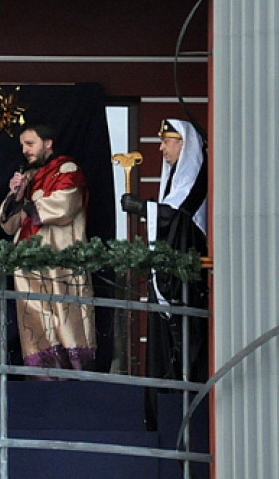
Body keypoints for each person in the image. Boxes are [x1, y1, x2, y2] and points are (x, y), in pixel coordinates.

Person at [0, 124, 96, 374]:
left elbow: (65, 205)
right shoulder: (28, 177)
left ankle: (75, 376)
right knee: (36, 319)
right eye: (23, 145)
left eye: (30, 144)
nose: (25, 150)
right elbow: (8, 224)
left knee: (66, 318)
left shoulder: (67, 168)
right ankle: (43, 377)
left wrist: (30, 204)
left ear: (48, 143)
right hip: (28, 263)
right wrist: (16, 195)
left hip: (60, 260)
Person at [120, 118, 208, 383]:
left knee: (183, 338)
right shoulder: (177, 181)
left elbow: (177, 216)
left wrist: (141, 208)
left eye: (166, 142)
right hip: (169, 276)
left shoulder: (196, 179)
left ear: (184, 144)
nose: (161, 148)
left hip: (185, 278)